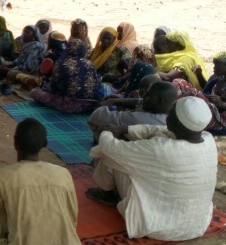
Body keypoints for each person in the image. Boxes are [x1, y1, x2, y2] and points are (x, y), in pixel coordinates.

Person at [87, 97, 217, 241]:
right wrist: (126, 129)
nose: (167, 115)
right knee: (136, 158)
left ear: (176, 122)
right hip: (197, 226)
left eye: (170, 113)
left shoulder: (161, 149)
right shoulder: (208, 139)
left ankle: (107, 194)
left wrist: (107, 132)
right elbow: (160, 130)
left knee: (114, 157)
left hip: (158, 227)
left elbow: (110, 148)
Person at [88, 81, 177, 142]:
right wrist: (116, 101)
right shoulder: (175, 115)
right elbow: (142, 101)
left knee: (104, 129)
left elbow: (95, 117)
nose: (144, 96)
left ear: (160, 101)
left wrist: (105, 104)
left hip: (131, 156)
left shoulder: (138, 118)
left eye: (148, 95)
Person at [30, 39, 102, 113]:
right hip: (91, 105)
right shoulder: (90, 63)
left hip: (70, 105)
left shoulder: (62, 64)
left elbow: (55, 88)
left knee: (35, 92)